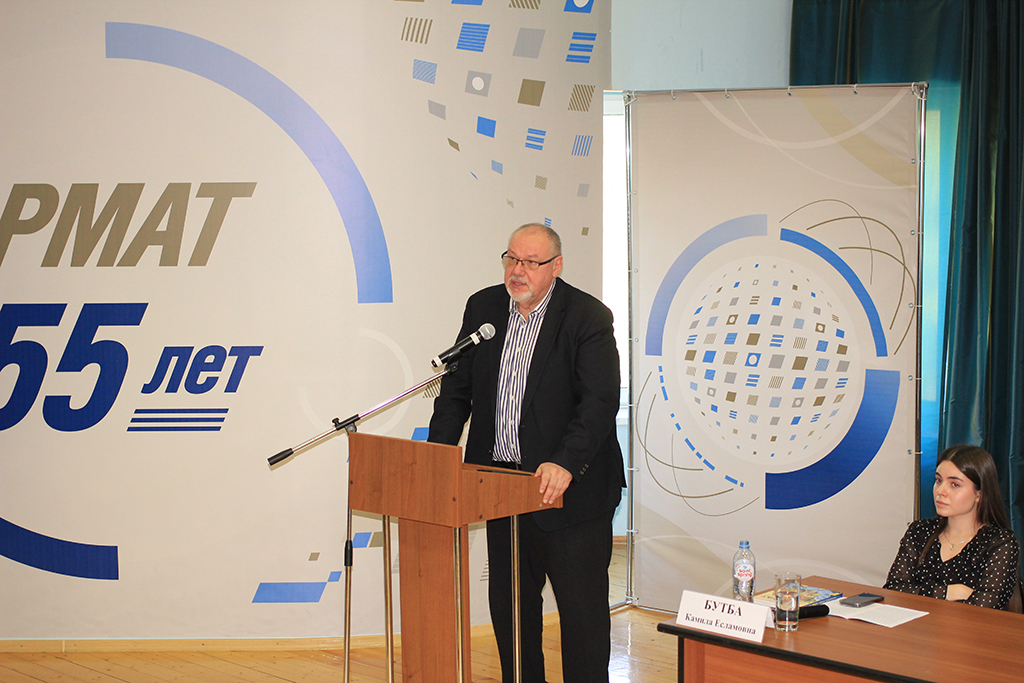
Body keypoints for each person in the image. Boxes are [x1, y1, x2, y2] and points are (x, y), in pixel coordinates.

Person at [428, 223, 625, 683]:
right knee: (511, 608)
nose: (517, 271)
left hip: (570, 495)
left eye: (531, 262)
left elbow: (599, 402)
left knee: (581, 616)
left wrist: (565, 461)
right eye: (511, 259)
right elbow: (455, 390)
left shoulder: (587, 316)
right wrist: (436, 457)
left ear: (556, 267)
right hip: (501, 489)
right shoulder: (483, 308)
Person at [883, 445, 1020, 610]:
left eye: (954, 484)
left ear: (979, 494)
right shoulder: (919, 531)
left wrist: (922, 594)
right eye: (938, 480)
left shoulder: (1000, 542)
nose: (941, 491)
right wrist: (948, 592)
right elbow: (893, 589)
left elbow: (986, 605)